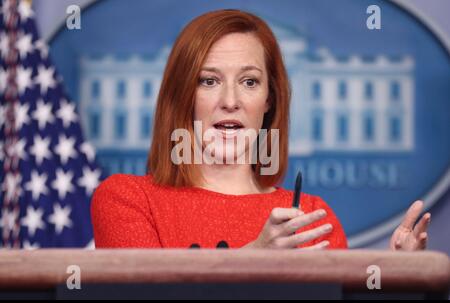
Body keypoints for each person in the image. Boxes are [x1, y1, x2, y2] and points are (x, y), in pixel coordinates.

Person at [91, 9, 430, 250]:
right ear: (183, 94)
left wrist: (395, 280)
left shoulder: (310, 218)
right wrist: (255, 259)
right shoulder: (127, 199)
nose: (230, 100)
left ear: (269, 99)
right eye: (209, 81)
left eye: (249, 81)